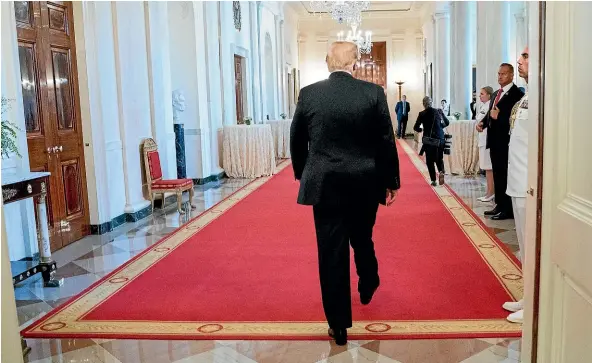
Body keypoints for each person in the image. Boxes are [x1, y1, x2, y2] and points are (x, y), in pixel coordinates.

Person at [290, 41, 400, 346]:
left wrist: (304, 173)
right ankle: (369, 277)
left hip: (324, 184)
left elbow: (297, 139)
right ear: (354, 63)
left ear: (328, 62)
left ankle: (338, 325)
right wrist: (391, 180)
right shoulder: (372, 93)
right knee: (362, 237)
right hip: (365, 180)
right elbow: (385, 141)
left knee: (331, 252)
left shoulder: (309, 94)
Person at [502, 47, 530, 324]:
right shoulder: (527, 97)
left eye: (525, 56)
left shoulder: (544, 96)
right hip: (517, 181)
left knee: (533, 244)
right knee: (523, 243)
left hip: (530, 184)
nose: (519, 61)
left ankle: (535, 303)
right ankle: (528, 294)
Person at [477, 64, 524, 220]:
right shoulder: (497, 93)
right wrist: (483, 122)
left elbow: (514, 118)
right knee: (497, 173)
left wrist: (500, 118)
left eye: (504, 74)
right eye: (498, 74)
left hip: (506, 141)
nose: (500, 77)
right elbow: (491, 113)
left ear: (511, 75)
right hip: (494, 141)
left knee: (505, 174)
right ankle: (499, 204)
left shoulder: (517, 94)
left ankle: (507, 208)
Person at [414, 96, 450, 186]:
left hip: (429, 140)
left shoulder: (422, 114)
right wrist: (439, 127)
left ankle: (433, 180)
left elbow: (416, 127)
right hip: (440, 138)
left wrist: (420, 130)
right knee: (439, 158)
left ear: (423, 104)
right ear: (431, 103)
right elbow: (447, 123)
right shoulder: (438, 111)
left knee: (430, 160)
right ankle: (441, 171)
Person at [476, 87, 495, 202]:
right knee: (486, 167)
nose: (480, 96)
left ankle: (491, 192)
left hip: (487, 139)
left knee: (489, 168)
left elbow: (483, 120)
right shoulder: (484, 106)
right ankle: (488, 191)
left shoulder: (489, 106)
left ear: (488, 95)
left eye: (482, 94)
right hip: (482, 138)